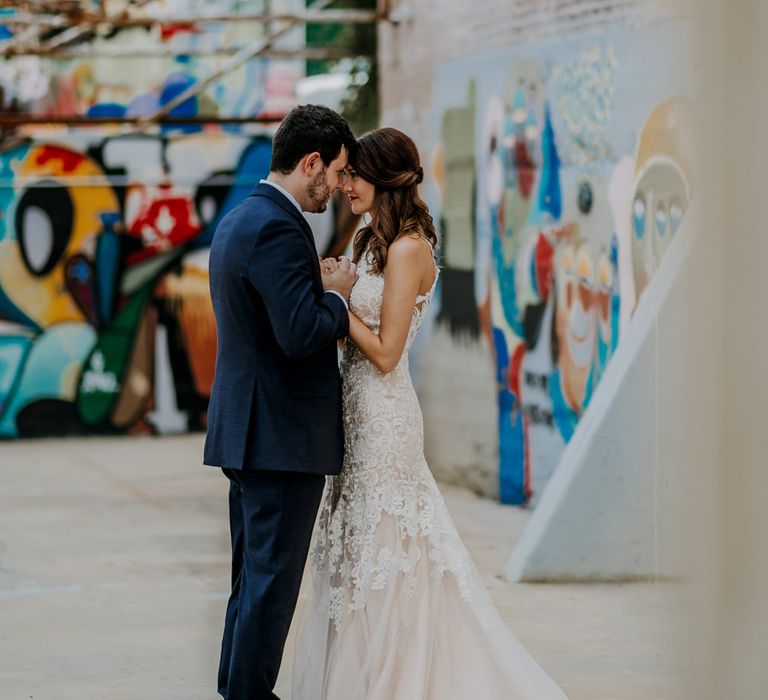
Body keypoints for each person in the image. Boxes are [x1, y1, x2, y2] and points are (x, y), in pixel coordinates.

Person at [293, 127, 568, 699]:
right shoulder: (371, 238)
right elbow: (356, 340)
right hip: (354, 413)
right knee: (354, 557)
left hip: (387, 419)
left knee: (388, 553)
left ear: (386, 178)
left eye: (355, 174)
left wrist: (338, 304)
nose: (345, 184)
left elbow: (389, 353)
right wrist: (333, 296)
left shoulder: (409, 248)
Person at [203, 104, 358, 700]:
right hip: (279, 436)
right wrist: (338, 297)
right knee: (270, 585)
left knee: (252, 582)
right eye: (338, 173)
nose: (340, 187)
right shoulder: (279, 227)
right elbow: (299, 332)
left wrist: (312, 289)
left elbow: (271, 317)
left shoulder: (244, 216)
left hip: (251, 430)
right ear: (311, 162)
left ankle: (235, 689)